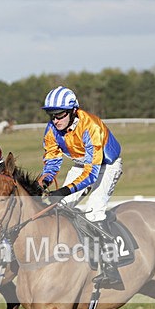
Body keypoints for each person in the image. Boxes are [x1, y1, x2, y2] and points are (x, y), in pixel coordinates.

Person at [38, 86, 124, 288]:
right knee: (59, 208)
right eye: (51, 115)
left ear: (73, 111)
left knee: (94, 211)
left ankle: (111, 268)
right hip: (80, 164)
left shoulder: (90, 126)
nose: (55, 120)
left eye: (60, 114)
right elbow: (52, 160)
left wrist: (64, 190)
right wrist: (44, 181)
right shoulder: (52, 129)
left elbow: (91, 175)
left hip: (106, 165)